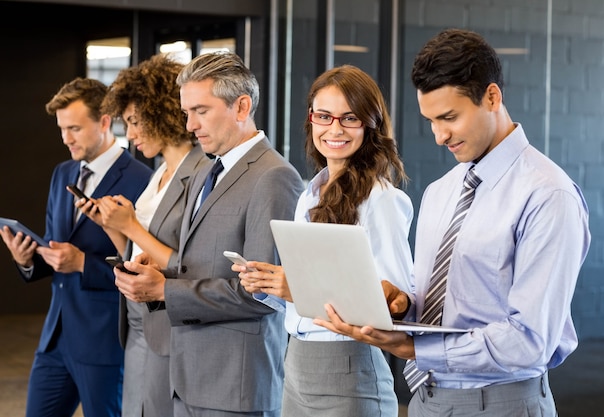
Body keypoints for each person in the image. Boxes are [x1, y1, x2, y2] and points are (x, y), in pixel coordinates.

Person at [314, 28, 591, 417]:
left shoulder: (548, 194)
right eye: (430, 120)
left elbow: (530, 340)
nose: (439, 136)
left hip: (502, 402)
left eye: (449, 118)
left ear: (492, 97)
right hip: (427, 400)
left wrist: (414, 348)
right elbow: (439, 302)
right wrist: (401, 305)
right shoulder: (441, 191)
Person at [111, 51, 304, 417]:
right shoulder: (205, 172)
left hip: (234, 385)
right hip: (185, 377)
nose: (189, 125)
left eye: (200, 111)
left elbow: (262, 295)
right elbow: (194, 265)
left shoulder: (274, 177)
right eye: (186, 113)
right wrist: (159, 274)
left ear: (241, 107)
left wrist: (163, 289)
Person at [232, 64, 414, 417]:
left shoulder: (381, 199)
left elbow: (393, 304)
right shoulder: (310, 193)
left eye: (349, 118)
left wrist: (298, 287)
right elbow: (304, 302)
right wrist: (270, 283)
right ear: (311, 119)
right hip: (296, 364)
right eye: (324, 116)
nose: (335, 129)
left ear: (370, 124)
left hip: (349, 370)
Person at [0, 77, 153, 417]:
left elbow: (147, 267)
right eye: (61, 129)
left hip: (104, 342)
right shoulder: (62, 172)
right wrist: (27, 259)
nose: (65, 138)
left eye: (74, 128)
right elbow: (57, 250)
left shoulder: (142, 180)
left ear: (103, 122)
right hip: (55, 339)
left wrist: (85, 263)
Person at [79, 54, 210, 417]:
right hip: (138, 320)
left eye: (135, 122)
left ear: (163, 111)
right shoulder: (159, 173)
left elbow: (191, 262)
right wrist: (113, 226)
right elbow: (138, 250)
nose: (131, 135)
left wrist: (131, 225)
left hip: (169, 321)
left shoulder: (201, 172)